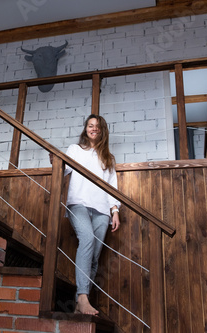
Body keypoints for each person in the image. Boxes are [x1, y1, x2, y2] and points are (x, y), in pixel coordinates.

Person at [63, 114, 120, 316]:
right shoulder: (74, 150)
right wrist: (55, 162)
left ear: (102, 130)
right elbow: (62, 170)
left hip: (102, 210)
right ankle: (82, 297)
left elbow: (112, 187)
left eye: (97, 126)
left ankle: (80, 304)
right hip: (78, 203)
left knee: (94, 256)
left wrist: (115, 210)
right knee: (86, 239)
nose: (93, 128)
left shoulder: (108, 158)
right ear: (86, 129)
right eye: (90, 125)